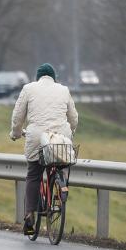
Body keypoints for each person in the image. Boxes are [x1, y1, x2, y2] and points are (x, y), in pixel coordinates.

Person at [9, 63, 78, 235]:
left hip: (37, 137)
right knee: (61, 164)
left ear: (38, 77)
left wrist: (15, 133)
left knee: (34, 174)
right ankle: (58, 189)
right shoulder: (63, 90)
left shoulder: (29, 89)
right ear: (54, 78)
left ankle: (29, 215)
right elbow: (74, 118)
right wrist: (71, 133)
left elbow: (18, 117)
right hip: (60, 136)